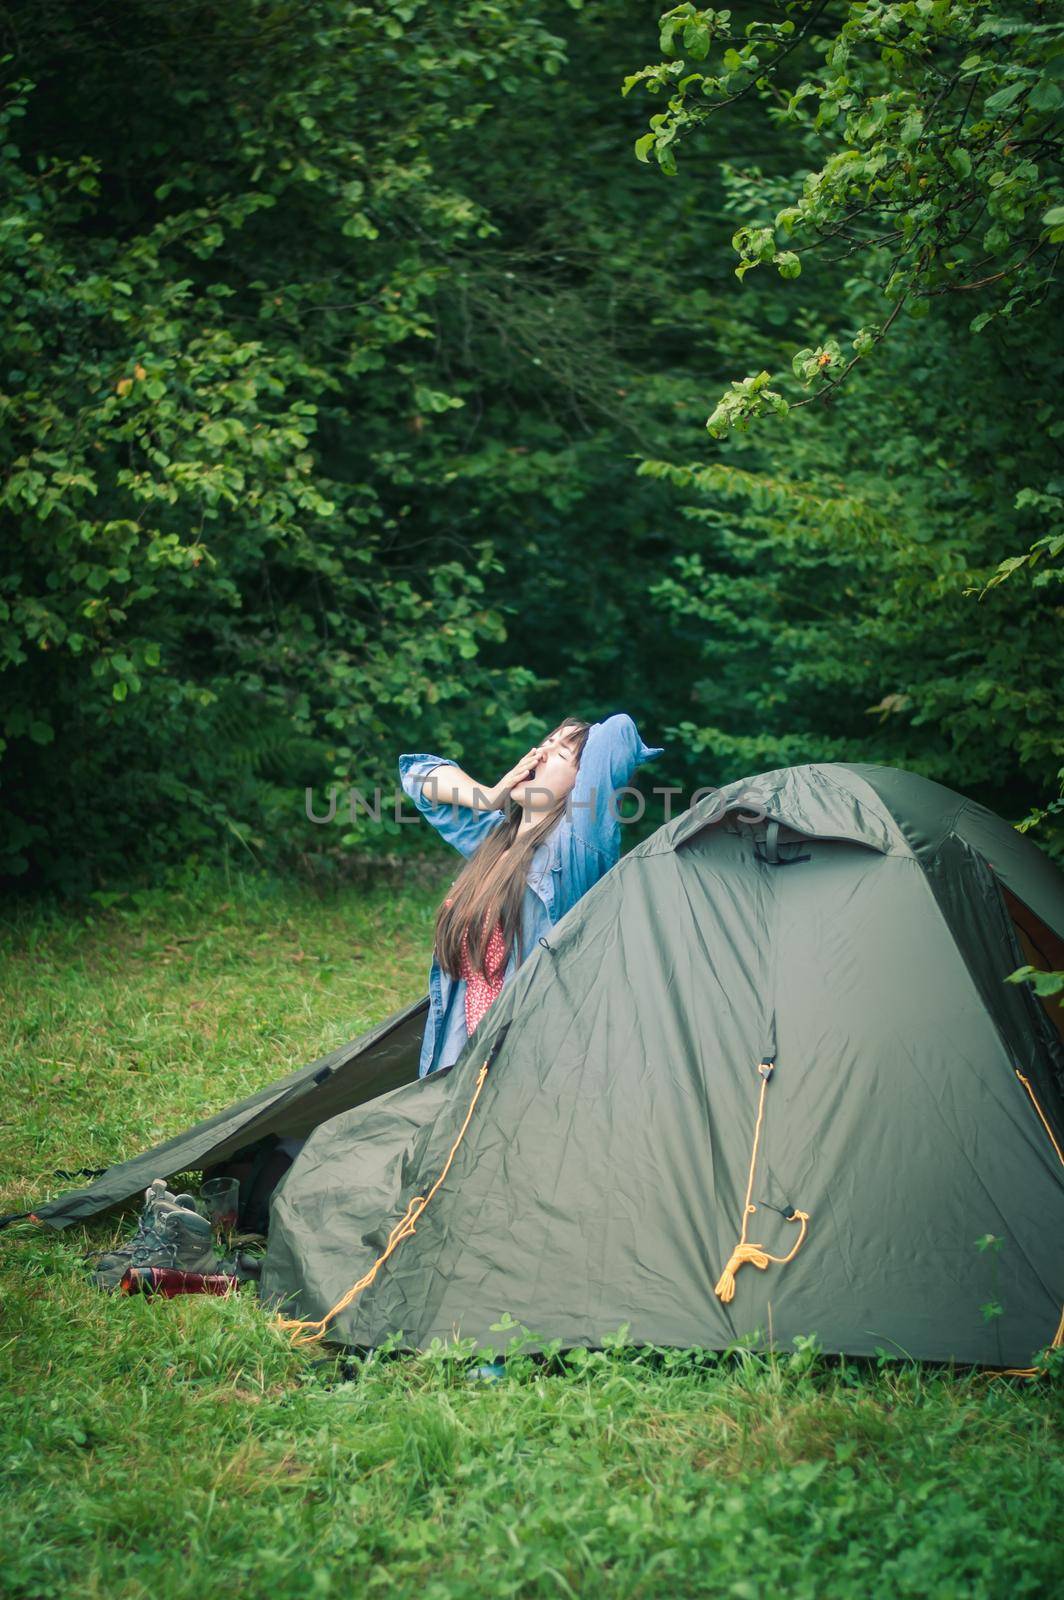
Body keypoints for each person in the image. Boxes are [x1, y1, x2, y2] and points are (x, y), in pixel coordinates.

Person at [398, 712, 665, 1078]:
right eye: (543, 744)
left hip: (526, 1073)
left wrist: (573, 735)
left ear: (582, 784)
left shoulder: (575, 853)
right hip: (460, 1062)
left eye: (559, 755)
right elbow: (417, 776)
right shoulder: (491, 840)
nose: (539, 754)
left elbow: (617, 732)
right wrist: (488, 796)